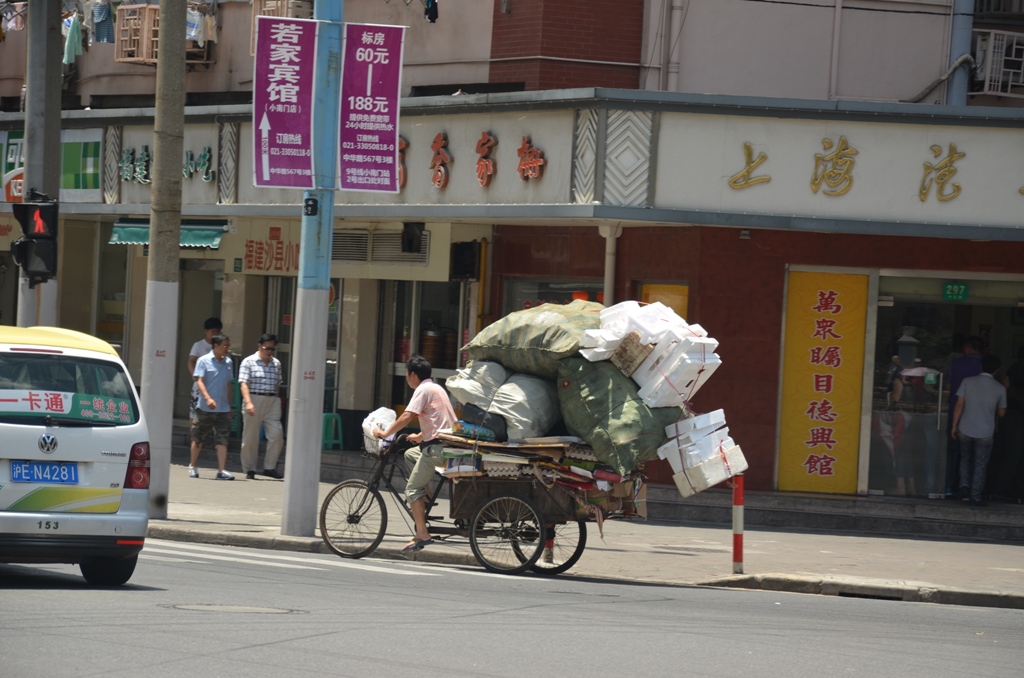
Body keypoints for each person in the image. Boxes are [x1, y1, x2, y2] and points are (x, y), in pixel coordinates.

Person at [373, 355, 457, 551]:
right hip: (446, 445)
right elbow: (440, 420)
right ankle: (425, 498)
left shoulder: (422, 389)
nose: (406, 378)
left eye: (406, 374)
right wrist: (420, 436)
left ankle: (422, 533)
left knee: (410, 489)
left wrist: (385, 433)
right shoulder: (437, 388)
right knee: (411, 454)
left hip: (436, 449)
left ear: (413, 374)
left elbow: (407, 415)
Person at [950, 354, 1006, 507]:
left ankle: (964, 487)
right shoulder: (999, 388)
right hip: (985, 432)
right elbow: (1001, 413)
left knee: (965, 458)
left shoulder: (968, 381)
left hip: (965, 427)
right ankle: (976, 496)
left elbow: (959, 404)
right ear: (996, 370)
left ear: (981, 366)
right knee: (980, 463)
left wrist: (954, 425)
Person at [189, 334, 235, 480]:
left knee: (222, 440)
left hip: (223, 409)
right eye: (224, 346)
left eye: (228, 346)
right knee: (198, 438)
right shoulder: (203, 361)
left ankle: (221, 470)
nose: (227, 349)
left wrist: (230, 405)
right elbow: (200, 381)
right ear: (216, 346)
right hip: (205, 408)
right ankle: (193, 465)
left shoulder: (228, 362)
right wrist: (208, 398)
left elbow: (228, 384)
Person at [238, 333, 284, 480]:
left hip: (271, 400)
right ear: (259, 346)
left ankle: (269, 467)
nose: (269, 352)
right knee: (250, 436)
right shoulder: (248, 362)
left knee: (277, 434)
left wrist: (276, 400)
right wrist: (248, 402)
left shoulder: (276, 363)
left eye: (272, 349)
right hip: (254, 398)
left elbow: (278, 384)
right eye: (267, 348)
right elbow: (243, 383)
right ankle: (249, 468)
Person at [944, 335, 984, 497]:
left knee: (953, 453)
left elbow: (947, 388)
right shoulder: (985, 366)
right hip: (979, 417)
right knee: (976, 455)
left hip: (955, 412)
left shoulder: (956, 365)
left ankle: (949, 486)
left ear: (968, 347)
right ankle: (973, 489)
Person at [998, 345, 1024, 503]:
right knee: (1015, 454)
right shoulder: (1017, 371)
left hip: (1013, 414)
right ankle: (1004, 489)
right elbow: (1012, 392)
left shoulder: (1014, 370)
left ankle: (1011, 489)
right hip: (1015, 414)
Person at [187, 317, 223, 423]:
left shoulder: (221, 346)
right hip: (200, 385)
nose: (215, 334)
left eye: (218, 332)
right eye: (213, 331)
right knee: (194, 414)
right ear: (206, 331)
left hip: (216, 385)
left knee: (217, 415)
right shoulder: (198, 345)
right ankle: (194, 439)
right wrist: (194, 375)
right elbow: (191, 361)